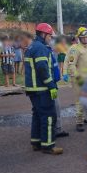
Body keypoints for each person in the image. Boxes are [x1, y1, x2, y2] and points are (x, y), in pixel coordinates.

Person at [24, 23, 62, 155]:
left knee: (38, 115)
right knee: (49, 116)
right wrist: (51, 85)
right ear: (44, 34)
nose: (51, 38)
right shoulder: (41, 48)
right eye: (50, 35)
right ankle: (48, 146)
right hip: (41, 89)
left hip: (33, 88)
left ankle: (36, 142)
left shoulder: (33, 46)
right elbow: (42, 68)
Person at [63, 27, 87, 132]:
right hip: (79, 79)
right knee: (80, 100)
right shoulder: (75, 48)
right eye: (83, 37)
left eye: (86, 37)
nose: (85, 39)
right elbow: (71, 65)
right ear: (79, 38)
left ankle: (85, 118)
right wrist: (76, 77)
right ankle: (79, 122)